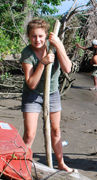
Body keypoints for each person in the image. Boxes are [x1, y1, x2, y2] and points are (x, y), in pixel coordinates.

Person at [19, 19, 73, 172]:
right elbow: (31, 83)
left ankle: (61, 163)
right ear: (29, 36)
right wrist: (42, 63)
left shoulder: (53, 47)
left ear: (46, 36)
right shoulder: (27, 53)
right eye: (34, 36)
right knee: (29, 134)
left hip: (52, 93)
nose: (38, 40)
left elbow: (67, 69)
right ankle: (23, 164)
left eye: (41, 36)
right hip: (32, 95)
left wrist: (59, 45)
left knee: (55, 130)